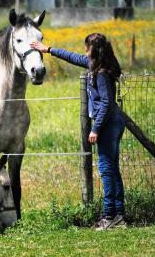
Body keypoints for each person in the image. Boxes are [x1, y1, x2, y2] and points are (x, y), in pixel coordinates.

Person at [31, 33, 127, 230]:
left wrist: (95, 129)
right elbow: (73, 57)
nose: (84, 51)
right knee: (112, 169)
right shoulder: (96, 65)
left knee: (106, 170)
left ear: (94, 50)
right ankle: (119, 215)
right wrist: (48, 49)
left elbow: (106, 103)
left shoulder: (100, 73)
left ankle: (109, 216)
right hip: (113, 121)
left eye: (87, 47)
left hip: (108, 124)